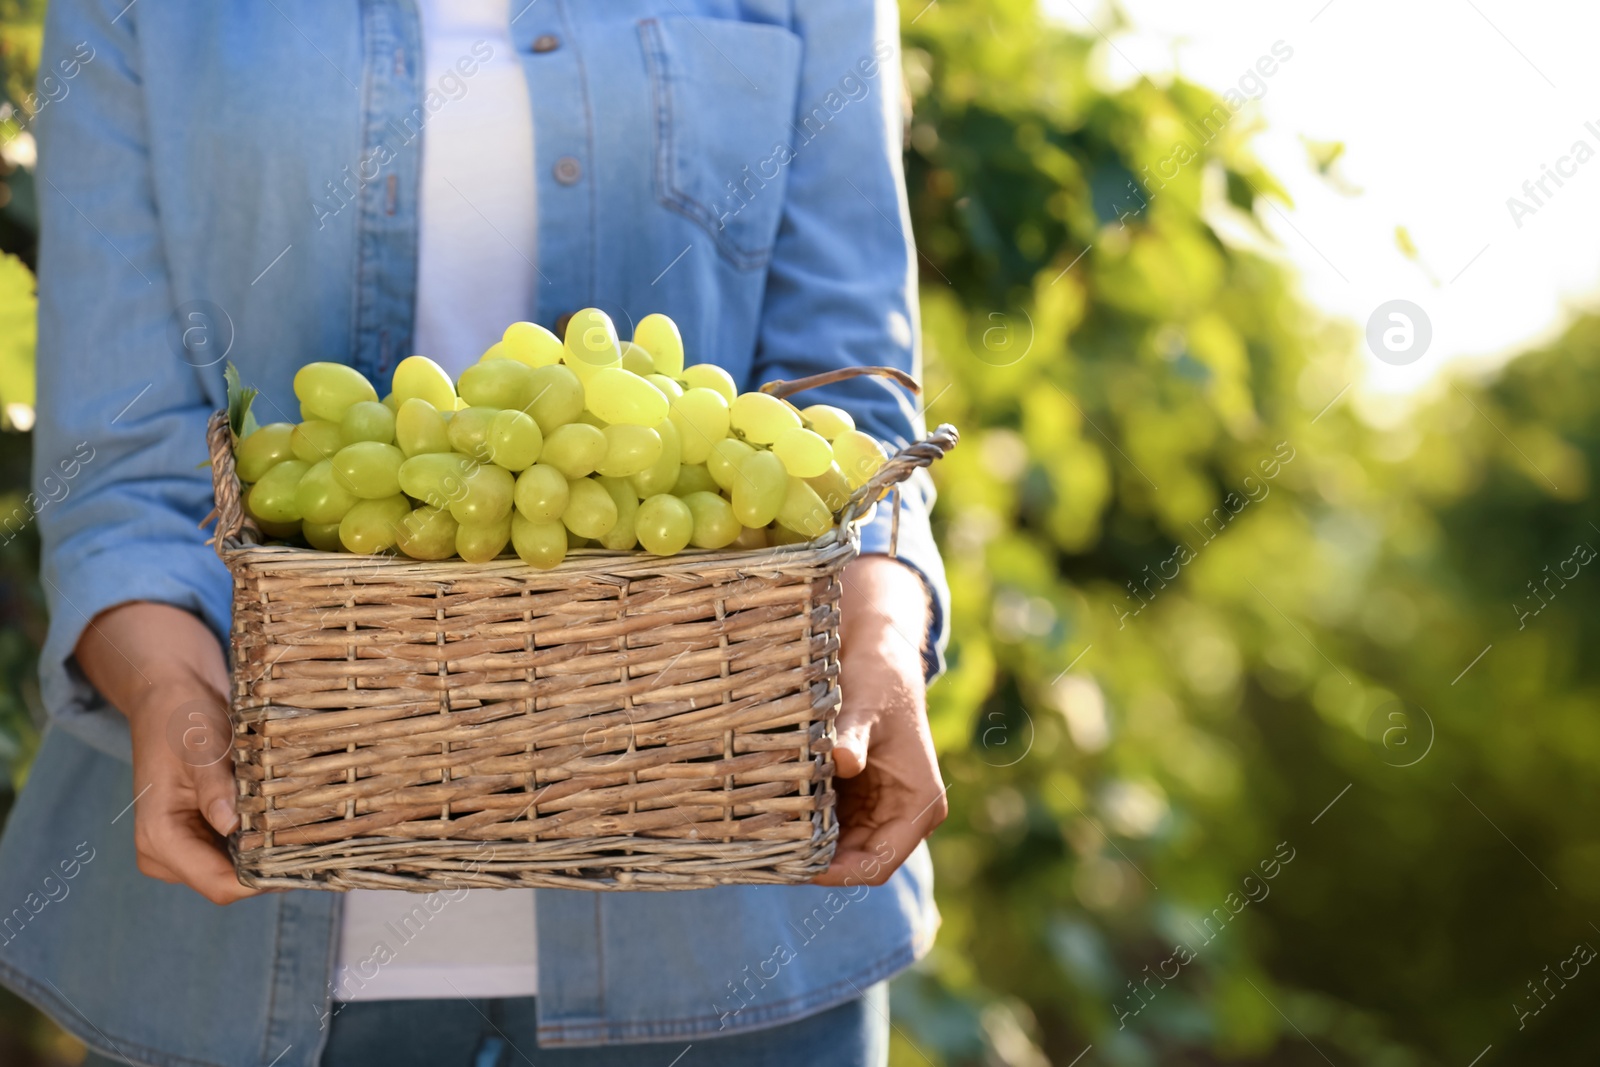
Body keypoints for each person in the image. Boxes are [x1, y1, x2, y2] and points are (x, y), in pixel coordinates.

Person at [0, 1, 949, 1064]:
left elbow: (853, 424)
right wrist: (168, 690)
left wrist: (880, 645)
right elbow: (120, 469)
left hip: (735, 947)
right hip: (236, 958)